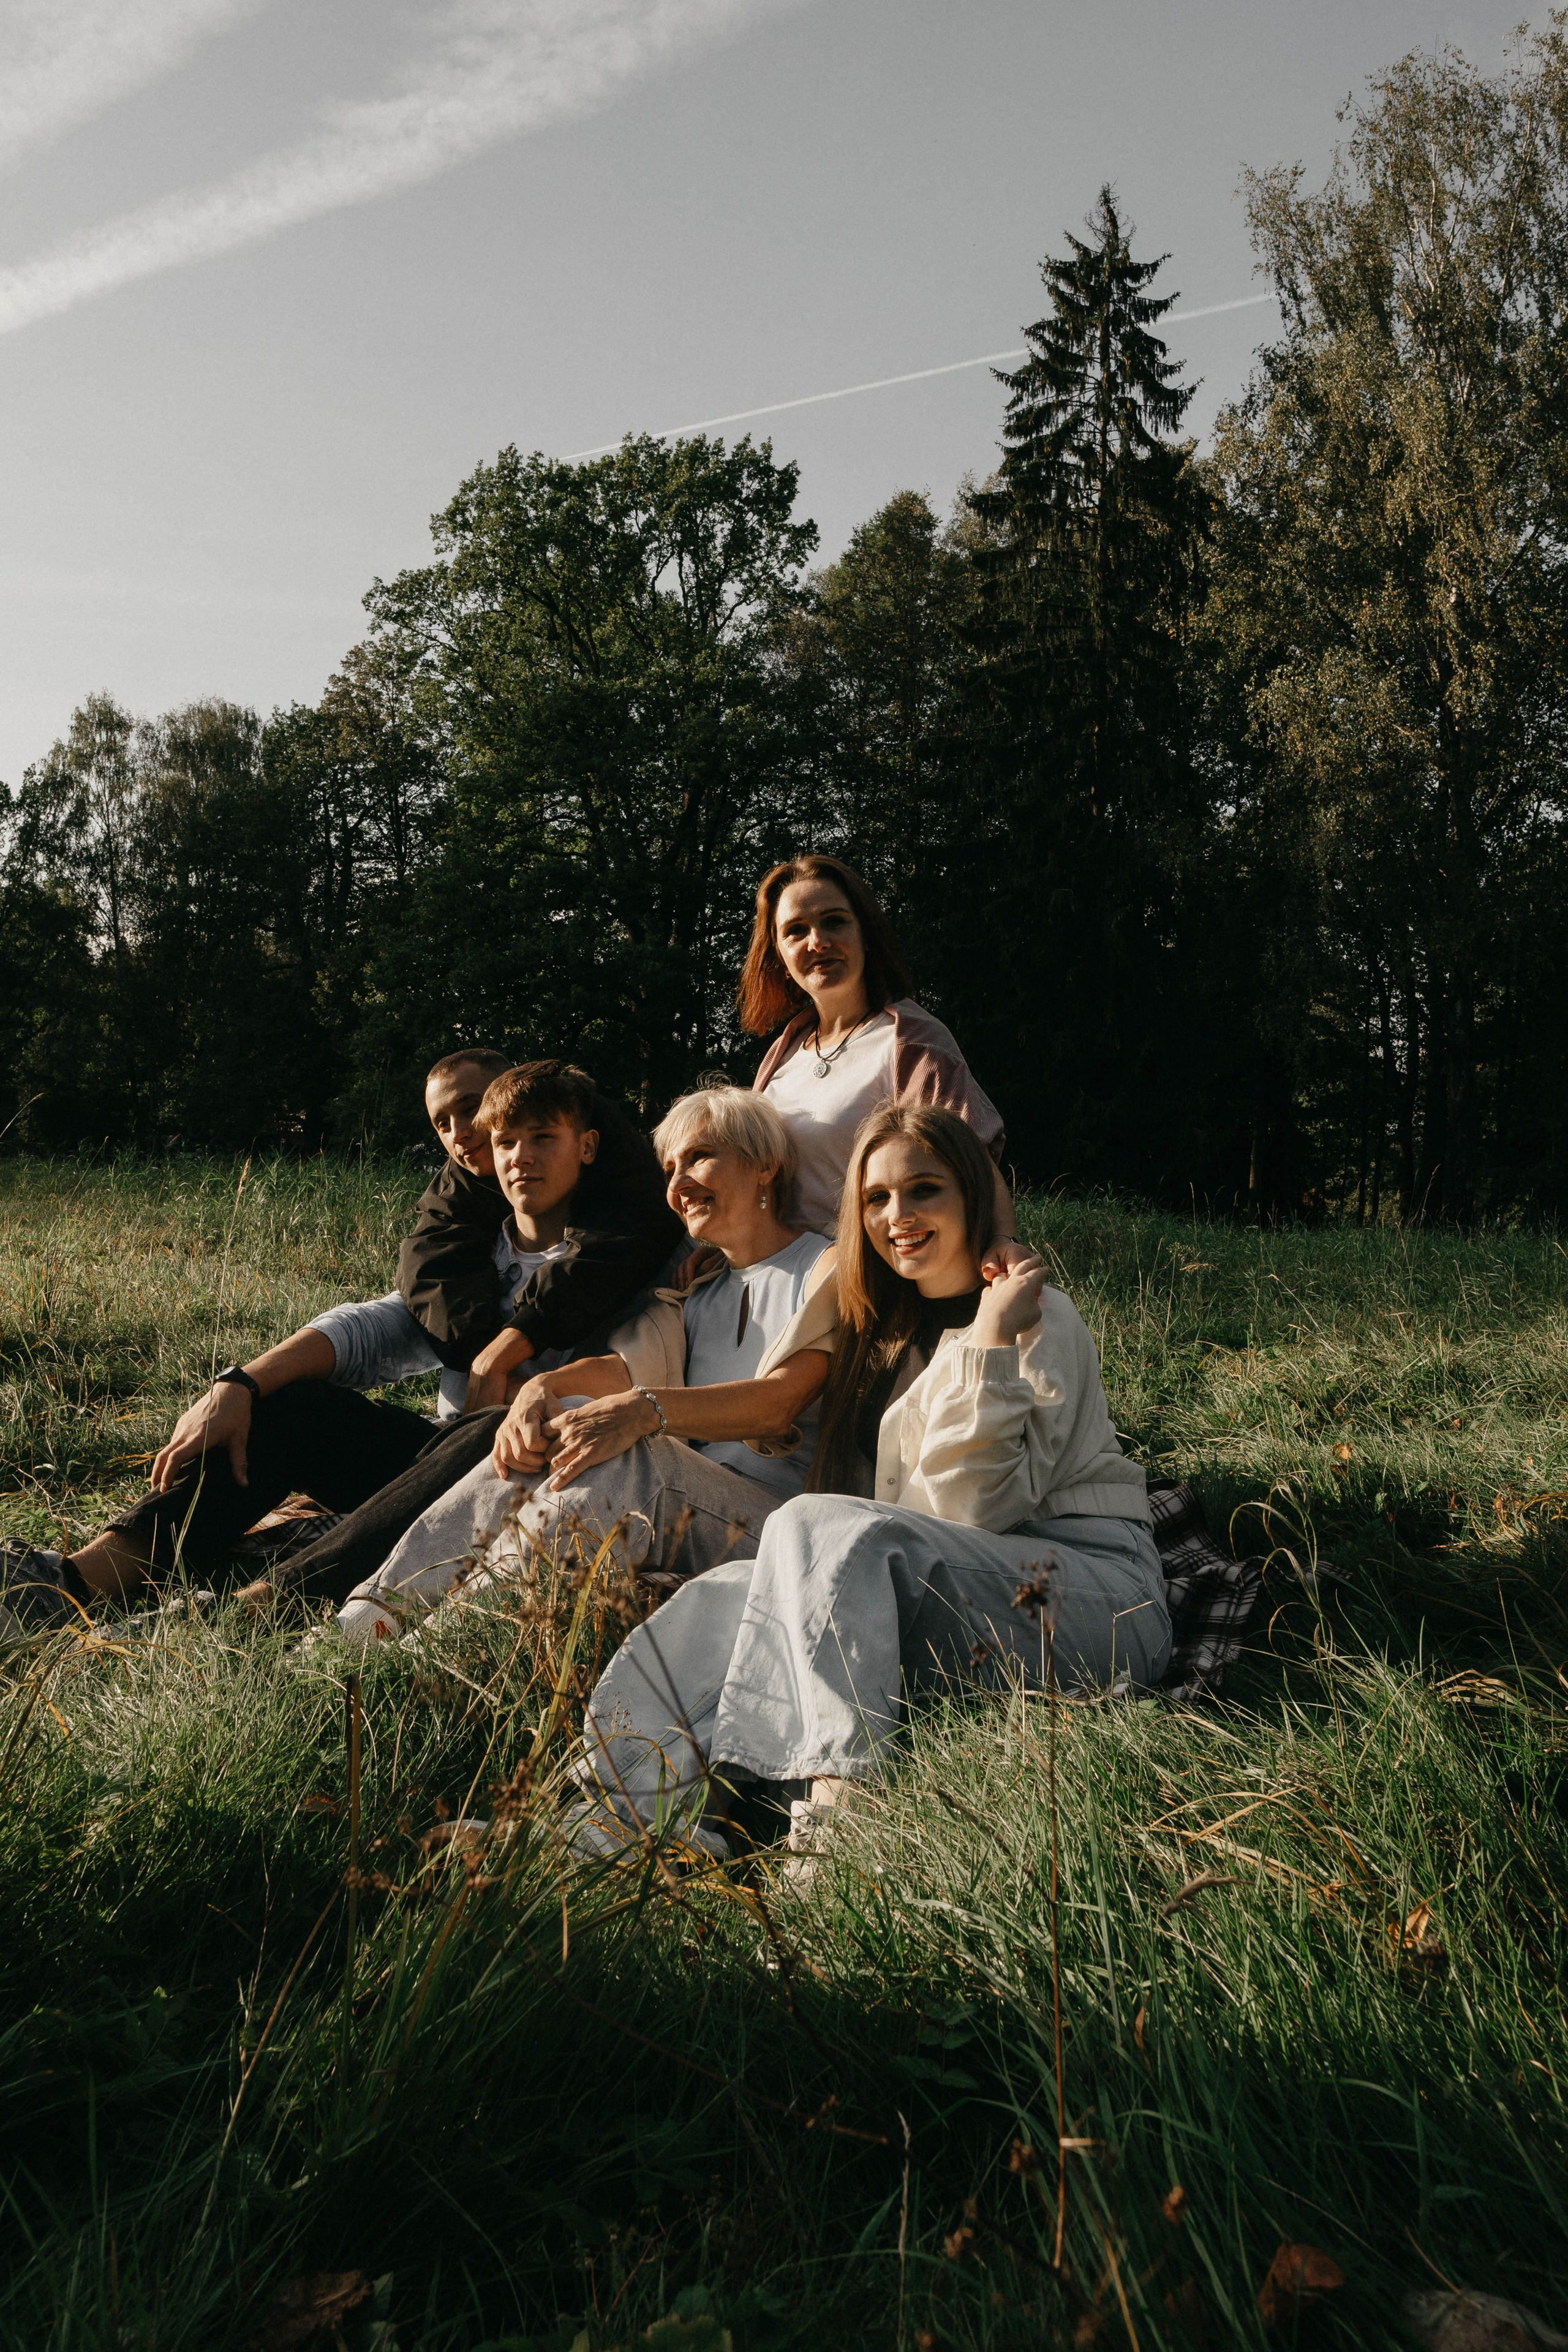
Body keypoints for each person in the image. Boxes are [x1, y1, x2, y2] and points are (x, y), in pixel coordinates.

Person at [570, 1105, 1169, 1861]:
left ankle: (836, 1830)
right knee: (733, 1594)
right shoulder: (876, 1328)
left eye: (925, 1191)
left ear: (972, 1199)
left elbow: (975, 1510)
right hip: (953, 1600)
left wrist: (988, 1339)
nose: (899, 1216)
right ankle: (617, 1823)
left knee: (815, 1526)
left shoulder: (1040, 1319)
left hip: (1089, 1597)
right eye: (876, 1199)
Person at [0, 1058, 678, 1633]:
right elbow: (377, 1326)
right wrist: (240, 1383)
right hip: (436, 1459)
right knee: (293, 1406)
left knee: (490, 1430)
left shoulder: (642, 1256)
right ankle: (72, 1586)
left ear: (581, 1137)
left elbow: (649, 1366)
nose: (470, 1136)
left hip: (550, 1480)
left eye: (529, 1130)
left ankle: (241, 1615)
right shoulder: (472, 1244)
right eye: (459, 1126)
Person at [332, 1087, 838, 1646]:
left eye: (699, 1157)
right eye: (670, 1168)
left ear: (765, 1164)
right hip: (694, 1508)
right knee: (568, 1417)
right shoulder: (700, 1289)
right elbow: (629, 1370)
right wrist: (542, 1389)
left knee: (640, 1463)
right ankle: (364, 1623)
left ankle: (445, 1641)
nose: (679, 1184)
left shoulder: (826, 1267)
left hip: (781, 1525)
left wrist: (644, 1412)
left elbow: (780, 1403)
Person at [740, 854, 1015, 1247]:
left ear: (866, 935)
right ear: (780, 956)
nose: (818, 942)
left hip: (873, 1276)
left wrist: (1004, 1241)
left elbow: (974, 1159)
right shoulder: (782, 1057)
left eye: (834, 921)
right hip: (785, 1273)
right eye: (796, 931)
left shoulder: (910, 1040)